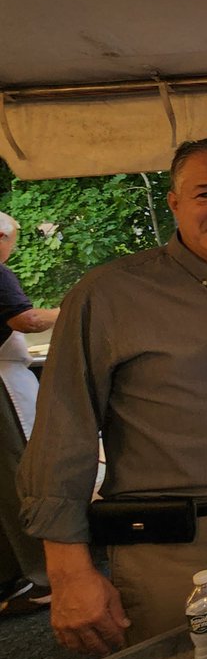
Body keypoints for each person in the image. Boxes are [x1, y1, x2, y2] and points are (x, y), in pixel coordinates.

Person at [19, 137, 207, 653]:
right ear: (174, 202)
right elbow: (60, 434)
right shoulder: (108, 295)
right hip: (179, 550)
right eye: (206, 194)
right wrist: (69, 571)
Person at [0, 214, 58, 617]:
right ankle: (47, 575)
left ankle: (14, 571)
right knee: (26, 474)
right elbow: (27, 319)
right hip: (4, 386)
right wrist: (72, 306)